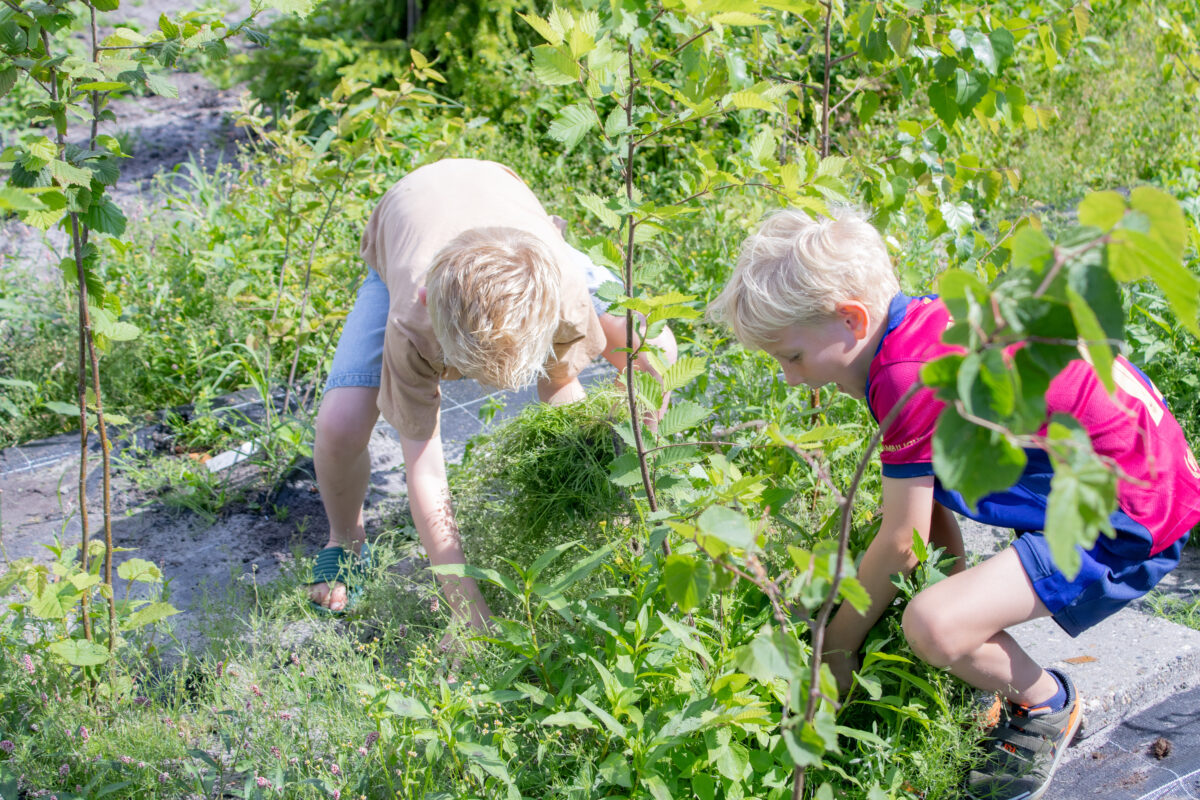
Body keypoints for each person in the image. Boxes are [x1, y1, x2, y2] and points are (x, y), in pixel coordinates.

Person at [708, 206, 1200, 799]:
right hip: (1148, 476)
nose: (789, 379)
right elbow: (923, 515)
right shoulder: (921, 329)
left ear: (849, 319)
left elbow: (899, 544)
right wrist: (947, 586)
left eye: (790, 356)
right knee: (939, 610)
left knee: (932, 626)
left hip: (1129, 517)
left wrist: (834, 648)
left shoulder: (904, 375)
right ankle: (969, 650)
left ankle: (1046, 705)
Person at [309, 158, 676, 636]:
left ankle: (628, 495)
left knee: (656, 351)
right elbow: (425, 464)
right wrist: (468, 610)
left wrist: (606, 467)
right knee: (340, 426)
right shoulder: (412, 321)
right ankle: (346, 540)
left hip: (515, 222)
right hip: (408, 215)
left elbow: (561, 383)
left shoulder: (560, 294)